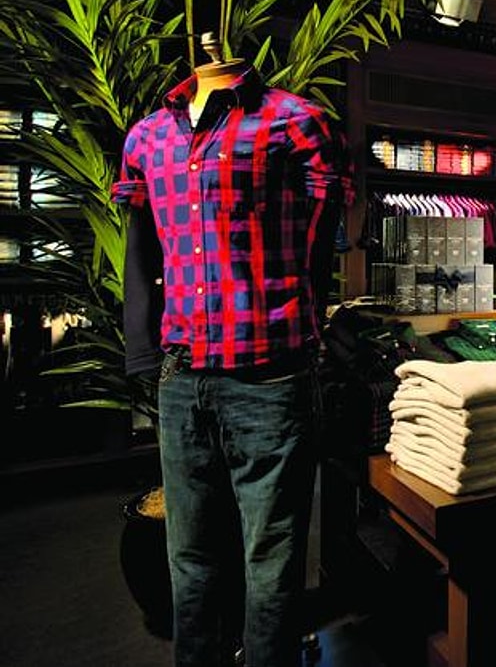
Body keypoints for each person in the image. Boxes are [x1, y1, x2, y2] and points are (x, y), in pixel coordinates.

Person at [112, 33, 353, 667]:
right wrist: (142, 350)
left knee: (271, 560)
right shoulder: (147, 138)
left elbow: (322, 241)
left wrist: (306, 324)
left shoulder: (296, 122)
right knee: (190, 556)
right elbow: (140, 250)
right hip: (181, 373)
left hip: (270, 373)